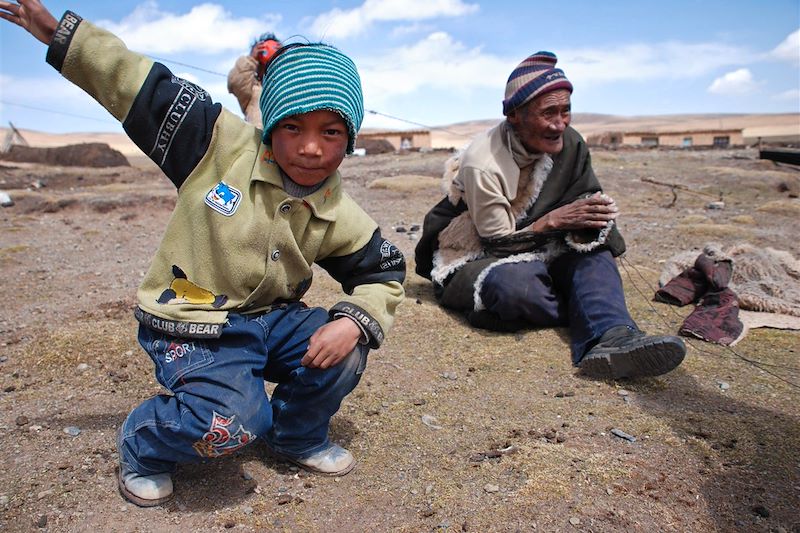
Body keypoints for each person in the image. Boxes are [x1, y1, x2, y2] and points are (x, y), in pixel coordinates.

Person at [0, 0, 405, 507]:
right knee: (235, 422)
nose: (310, 148)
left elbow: (385, 272)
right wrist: (64, 36)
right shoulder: (214, 144)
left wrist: (354, 320)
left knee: (351, 344)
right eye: (292, 127)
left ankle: (294, 435)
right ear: (270, 123)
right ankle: (144, 444)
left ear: (350, 137)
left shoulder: (338, 210)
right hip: (191, 320)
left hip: (270, 320)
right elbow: (137, 82)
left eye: (331, 132)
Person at [415, 51, 685, 380]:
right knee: (513, 286)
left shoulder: (569, 143)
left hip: (548, 246)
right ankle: (579, 307)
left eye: (565, 111)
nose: (560, 123)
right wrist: (553, 221)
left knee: (595, 256)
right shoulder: (482, 163)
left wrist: (590, 218)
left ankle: (614, 337)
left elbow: (584, 194)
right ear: (515, 115)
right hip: (478, 253)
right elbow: (496, 243)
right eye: (548, 113)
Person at [227, 32, 281, 125]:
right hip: (257, 138)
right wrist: (251, 59)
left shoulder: (285, 84)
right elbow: (235, 82)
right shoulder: (252, 88)